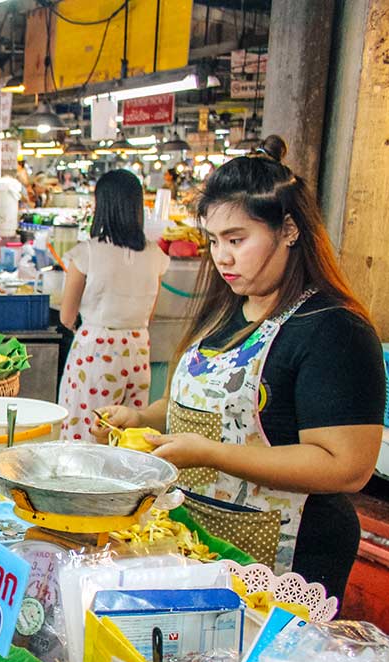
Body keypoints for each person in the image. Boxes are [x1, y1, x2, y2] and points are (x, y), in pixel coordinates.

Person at [95, 136, 385, 593]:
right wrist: (140, 418)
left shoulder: (333, 329)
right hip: (203, 535)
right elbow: (196, 407)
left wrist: (211, 455)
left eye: (237, 239)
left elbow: (347, 466)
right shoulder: (231, 306)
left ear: (288, 230)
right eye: (213, 240)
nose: (222, 257)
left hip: (288, 549)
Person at [58, 169, 169, 441]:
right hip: (138, 348)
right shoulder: (156, 255)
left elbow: (66, 316)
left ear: (102, 205)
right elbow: (150, 312)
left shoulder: (87, 252)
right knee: (127, 434)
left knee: (86, 433)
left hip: (96, 349)